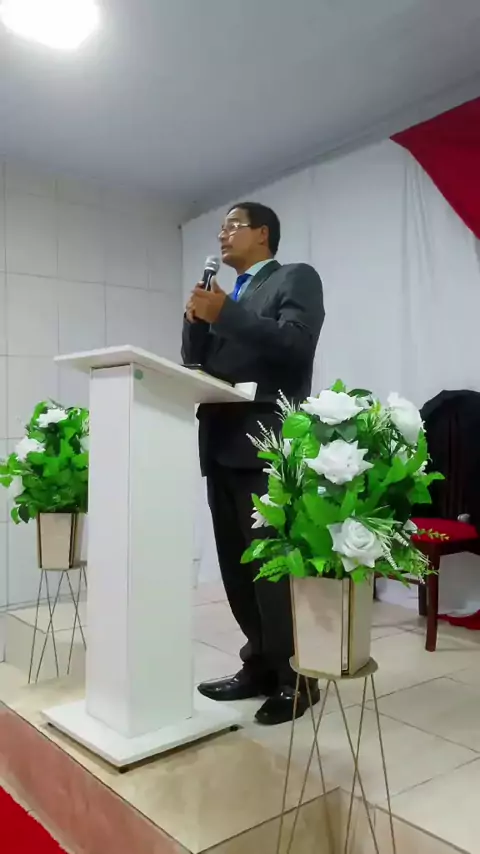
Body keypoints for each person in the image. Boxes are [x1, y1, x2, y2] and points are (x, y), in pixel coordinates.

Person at [182, 202, 324, 726]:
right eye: (220, 227)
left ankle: (297, 677)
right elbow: (195, 361)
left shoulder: (294, 278)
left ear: (263, 234)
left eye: (233, 225)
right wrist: (196, 320)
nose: (223, 234)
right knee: (237, 566)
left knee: (273, 570)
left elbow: (295, 345)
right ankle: (259, 664)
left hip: (266, 442)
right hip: (219, 441)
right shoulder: (227, 294)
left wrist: (226, 314)